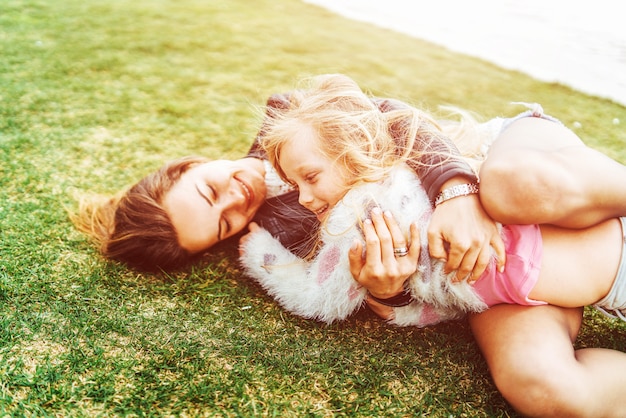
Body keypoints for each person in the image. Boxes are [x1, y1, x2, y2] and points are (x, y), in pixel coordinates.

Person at [242, 73, 626, 327]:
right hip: (533, 280)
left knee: (506, 187)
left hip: (503, 156)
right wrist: (389, 295)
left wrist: (456, 190)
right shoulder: (323, 218)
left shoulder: (318, 143)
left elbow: (384, 115)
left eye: (209, 190)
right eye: (222, 224)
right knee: (540, 384)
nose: (305, 197)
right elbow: (422, 291)